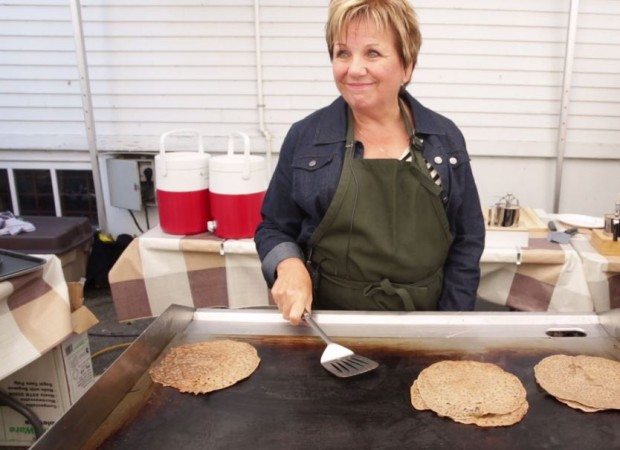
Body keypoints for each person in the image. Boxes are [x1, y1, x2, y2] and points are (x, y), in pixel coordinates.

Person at [255, 0, 485, 325]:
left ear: (407, 66)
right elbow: (275, 227)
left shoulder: (444, 139)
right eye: (342, 53)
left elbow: (467, 239)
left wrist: (450, 326)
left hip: (427, 322)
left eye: (373, 53)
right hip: (328, 326)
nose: (354, 69)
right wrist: (289, 264)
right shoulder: (306, 138)